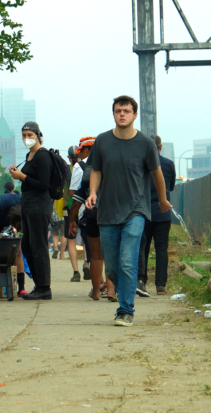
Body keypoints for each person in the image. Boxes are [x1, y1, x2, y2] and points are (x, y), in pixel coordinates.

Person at [86, 95, 171, 327]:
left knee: (127, 261)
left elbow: (157, 174)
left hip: (136, 210)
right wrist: (92, 192)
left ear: (135, 115)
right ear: (113, 114)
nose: (122, 114)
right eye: (118, 111)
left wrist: (162, 200)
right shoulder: (102, 141)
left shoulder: (146, 143)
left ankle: (125, 310)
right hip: (107, 211)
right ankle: (124, 292)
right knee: (113, 267)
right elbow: (96, 170)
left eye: (126, 111)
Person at [9, 121, 52, 300]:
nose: (26, 138)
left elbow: (44, 184)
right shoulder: (29, 155)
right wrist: (19, 174)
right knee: (27, 245)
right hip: (27, 204)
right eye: (24, 135)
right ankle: (38, 284)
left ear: (38, 135)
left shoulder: (42, 155)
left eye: (30, 135)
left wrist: (22, 176)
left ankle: (44, 287)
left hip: (39, 204)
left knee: (38, 245)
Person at [70, 159, 116, 302]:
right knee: (111, 256)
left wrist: (71, 220)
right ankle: (111, 291)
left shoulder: (88, 180)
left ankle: (96, 292)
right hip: (112, 219)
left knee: (96, 257)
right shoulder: (114, 178)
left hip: (93, 218)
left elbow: (76, 202)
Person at [137, 134, 176, 297]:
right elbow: (171, 187)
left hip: (144, 212)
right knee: (161, 249)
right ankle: (160, 285)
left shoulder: (140, 164)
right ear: (160, 148)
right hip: (163, 213)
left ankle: (141, 281)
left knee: (142, 248)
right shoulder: (168, 164)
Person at [69, 137, 96, 281]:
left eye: (81, 151)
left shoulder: (79, 166)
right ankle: (109, 285)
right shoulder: (107, 162)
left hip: (87, 213)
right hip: (108, 213)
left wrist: (71, 219)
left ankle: (97, 284)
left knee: (92, 248)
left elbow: (73, 193)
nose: (79, 154)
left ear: (86, 150)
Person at [64, 145, 81, 273]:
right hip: (85, 207)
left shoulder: (65, 171)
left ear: (68, 157)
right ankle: (87, 262)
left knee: (71, 240)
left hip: (69, 209)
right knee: (88, 239)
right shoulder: (85, 168)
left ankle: (76, 271)